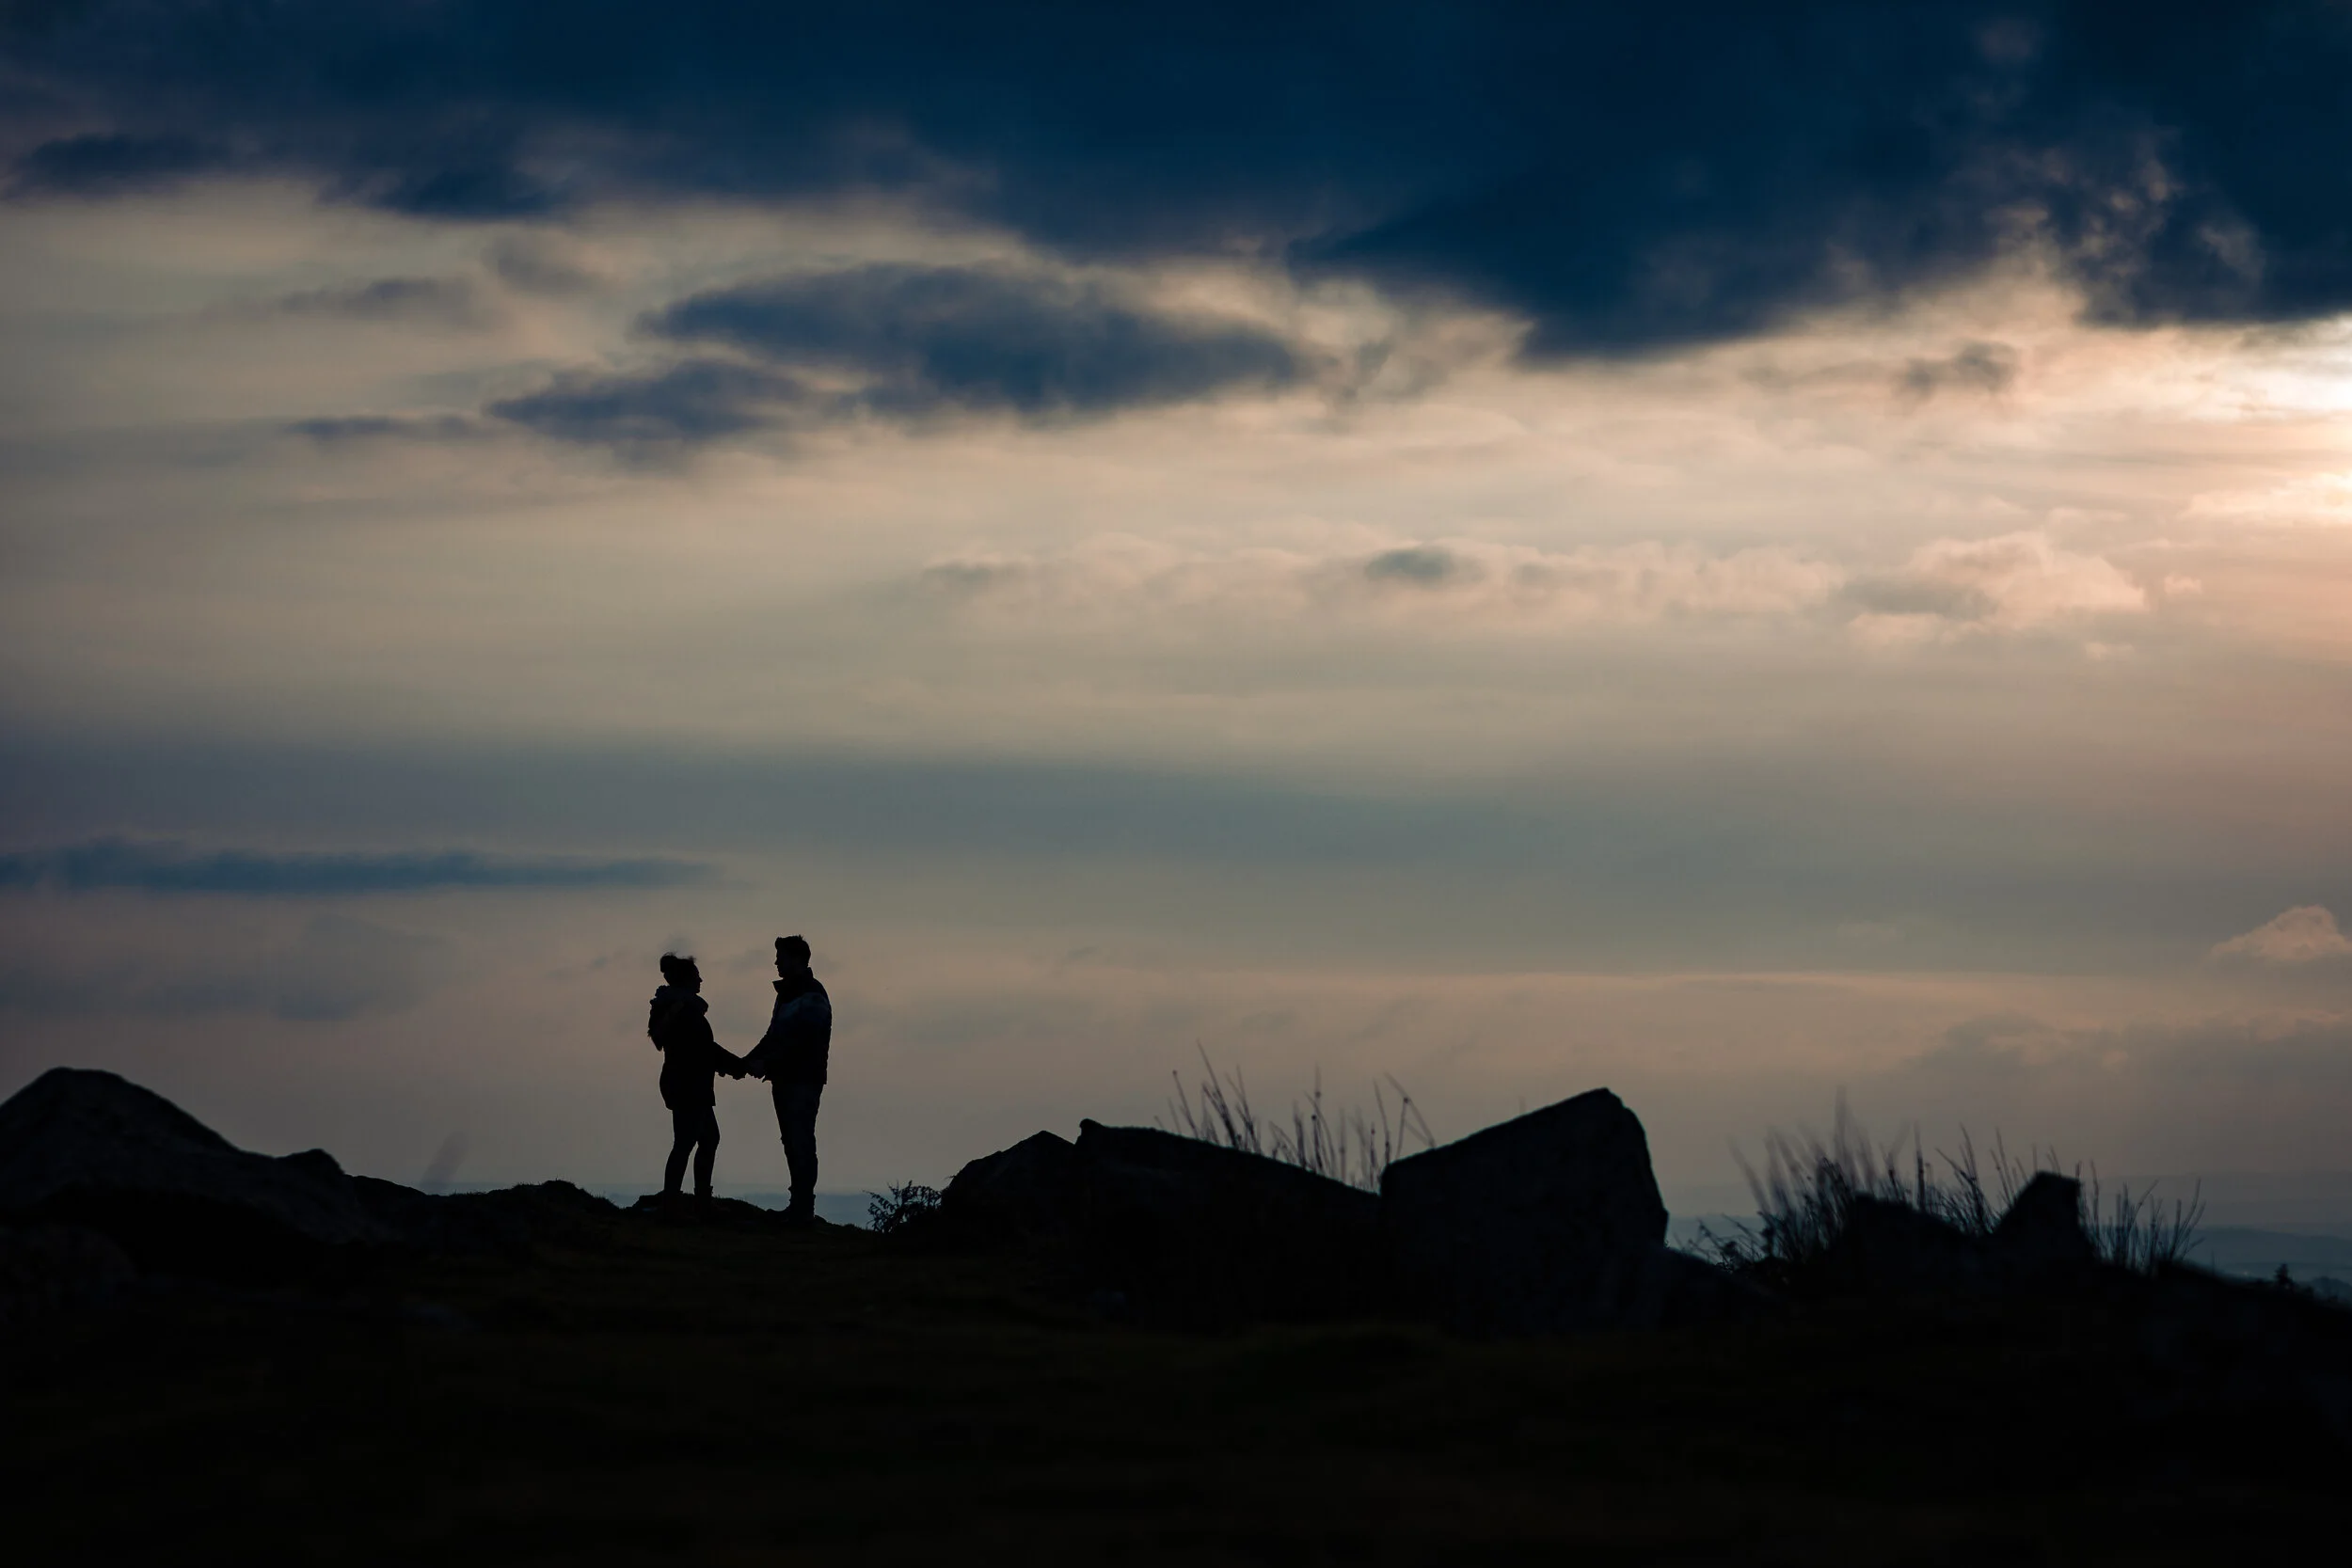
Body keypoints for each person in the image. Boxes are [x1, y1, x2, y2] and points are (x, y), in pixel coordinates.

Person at [742, 934, 831, 1226]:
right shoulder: (787, 994)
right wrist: (746, 1061)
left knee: (800, 1140)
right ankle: (799, 1207)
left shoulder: (813, 994)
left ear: (797, 959)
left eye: (781, 957)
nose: (776, 962)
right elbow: (773, 1036)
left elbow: (805, 1041)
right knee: (792, 1141)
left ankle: (803, 1209)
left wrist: (763, 1062)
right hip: (784, 1078)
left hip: (803, 1080)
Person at [647, 953, 744, 1200]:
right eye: (697, 975)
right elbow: (704, 1049)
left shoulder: (676, 1007)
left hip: (687, 1083)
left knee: (706, 1139)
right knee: (687, 1142)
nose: (701, 980)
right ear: (687, 980)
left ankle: (697, 1198)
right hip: (688, 1085)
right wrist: (738, 1066)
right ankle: (676, 1201)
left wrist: (733, 1065)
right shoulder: (685, 1010)